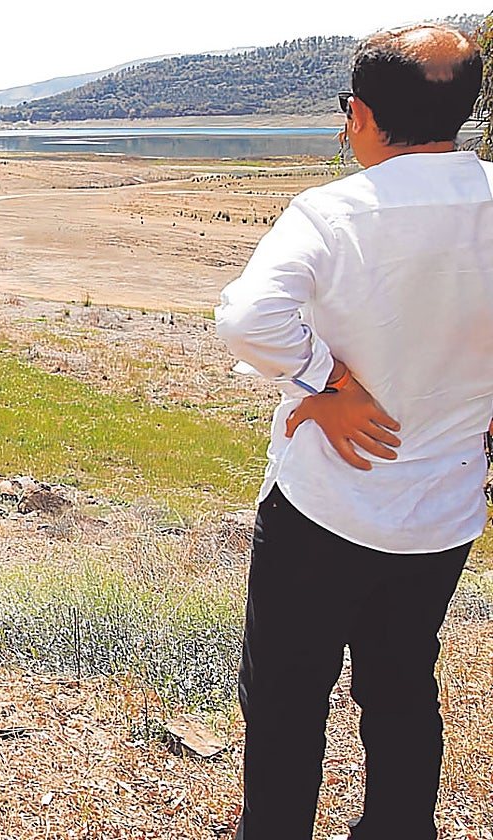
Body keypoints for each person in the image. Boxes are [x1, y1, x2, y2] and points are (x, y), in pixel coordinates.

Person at [214, 23, 492, 840]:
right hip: (442, 513)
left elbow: (246, 319)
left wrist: (324, 385)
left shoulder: (332, 212)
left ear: (361, 114)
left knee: (285, 699)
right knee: (403, 683)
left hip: (325, 505)